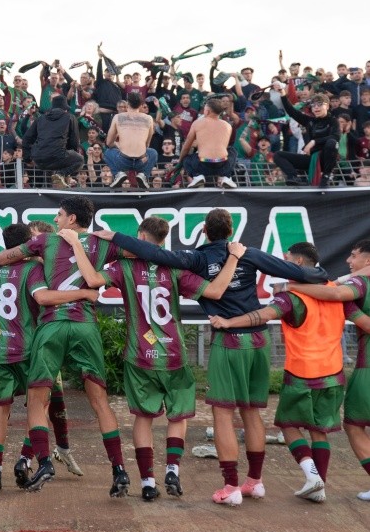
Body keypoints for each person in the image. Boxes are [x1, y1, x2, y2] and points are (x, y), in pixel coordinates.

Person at [102, 209, 329, 505]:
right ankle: (255, 482)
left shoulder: (196, 258)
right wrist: (322, 274)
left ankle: (231, 487)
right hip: (259, 338)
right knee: (251, 412)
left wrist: (115, 237)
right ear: (231, 230)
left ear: (205, 231)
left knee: (222, 414)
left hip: (227, 338)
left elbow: (155, 253)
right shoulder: (249, 253)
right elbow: (298, 273)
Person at [62, 217, 238, 500]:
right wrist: (233, 260)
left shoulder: (125, 267)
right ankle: (172, 470)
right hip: (174, 354)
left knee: (143, 418)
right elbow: (216, 291)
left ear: (140, 237)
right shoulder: (177, 268)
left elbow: (93, 280)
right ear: (163, 241)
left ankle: (146, 482)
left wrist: (75, 245)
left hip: (139, 353)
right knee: (177, 416)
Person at [0, 196, 131, 497]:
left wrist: (32, 258)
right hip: (85, 325)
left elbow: (3, 258)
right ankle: (119, 469)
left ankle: (43, 462)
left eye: (59, 215)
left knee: (37, 399)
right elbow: (138, 252)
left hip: (52, 325)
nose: (55, 220)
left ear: (71, 219)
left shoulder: (44, 241)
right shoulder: (101, 243)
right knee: (100, 401)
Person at [220, 242, 367, 504]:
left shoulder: (289, 295)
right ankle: (319, 487)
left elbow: (264, 315)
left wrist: (230, 321)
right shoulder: (336, 291)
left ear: (297, 263)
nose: (280, 263)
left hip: (303, 373)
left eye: (285, 259)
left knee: (288, 426)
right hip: (334, 373)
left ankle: (311, 475)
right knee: (318, 430)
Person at [0, 223, 87, 492]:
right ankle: (25, 459)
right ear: (26, 244)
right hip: (29, 349)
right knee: (38, 405)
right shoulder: (31, 269)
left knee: (0, 408)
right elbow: (42, 298)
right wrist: (83, 293)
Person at [287, 239, 370, 500]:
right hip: (334, 371)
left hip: (357, 368)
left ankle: (314, 480)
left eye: (354, 255)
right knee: (320, 428)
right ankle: (317, 482)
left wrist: (296, 287)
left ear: (367, 260)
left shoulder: (359, 285)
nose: (349, 259)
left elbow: (336, 294)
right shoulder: (354, 284)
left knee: (354, 425)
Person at [273, 89, 341, 187]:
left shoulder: (334, 121)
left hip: (326, 159)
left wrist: (314, 142)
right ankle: (294, 176)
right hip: (311, 158)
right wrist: (283, 95)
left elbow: (336, 136)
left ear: (327, 105)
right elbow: (292, 112)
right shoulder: (310, 121)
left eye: (319, 104)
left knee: (332, 142)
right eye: (313, 105)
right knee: (278, 155)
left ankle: (326, 176)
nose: (316, 108)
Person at [21, 95, 83, 185]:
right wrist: (69, 151)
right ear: (65, 108)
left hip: (39, 159)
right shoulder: (70, 117)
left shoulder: (40, 118)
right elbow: (74, 142)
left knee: (50, 167)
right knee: (79, 160)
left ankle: (51, 186)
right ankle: (60, 174)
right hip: (57, 156)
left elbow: (26, 138)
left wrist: (27, 159)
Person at [177, 97, 237, 189]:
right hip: (221, 164)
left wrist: (180, 161)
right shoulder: (228, 125)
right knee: (232, 151)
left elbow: (186, 147)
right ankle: (226, 177)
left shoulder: (197, 123)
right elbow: (223, 147)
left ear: (207, 111)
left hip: (203, 164)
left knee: (186, 158)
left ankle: (197, 176)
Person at [103, 93, 157, 188]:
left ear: (127, 104)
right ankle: (143, 175)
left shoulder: (118, 117)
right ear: (140, 105)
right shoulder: (149, 118)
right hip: (142, 161)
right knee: (153, 153)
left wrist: (117, 145)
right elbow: (147, 144)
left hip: (123, 160)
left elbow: (109, 143)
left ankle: (118, 174)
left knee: (107, 152)